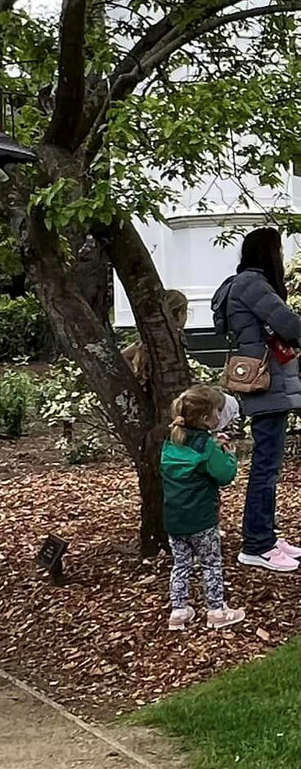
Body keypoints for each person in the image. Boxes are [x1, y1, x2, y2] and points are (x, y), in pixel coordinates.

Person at [212, 227, 301, 574]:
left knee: (268, 467)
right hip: (268, 386)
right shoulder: (253, 284)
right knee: (266, 468)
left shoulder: (245, 282)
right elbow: (290, 326)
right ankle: (257, 544)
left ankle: (266, 537)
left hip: (269, 386)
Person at [162, 384, 244, 631]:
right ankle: (217, 611)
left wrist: (212, 445)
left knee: (181, 564)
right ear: (207, 418)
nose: (220, 415)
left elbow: (190, 460)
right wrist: (228, 454)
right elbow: (224, 475)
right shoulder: (206, 447)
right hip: (202, 519)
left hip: (174, 519)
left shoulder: (170, 441)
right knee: (211, 563)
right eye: (218, 411)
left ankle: (178, 612)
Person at [122, 290, 189, 387]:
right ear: (180, 314)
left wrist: (134, 381)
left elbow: (124, 355)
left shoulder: (150, 336)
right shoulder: (176, 336)